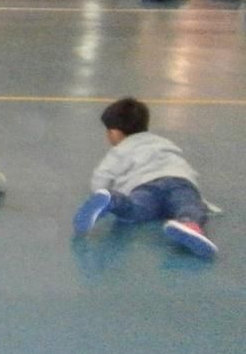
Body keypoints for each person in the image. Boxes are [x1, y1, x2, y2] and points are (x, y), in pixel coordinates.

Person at [73, 96, 217, 258]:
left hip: (146, 186)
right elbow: (184, 165)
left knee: (135, 209)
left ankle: (112, 200)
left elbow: (102, 175)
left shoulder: (120, 150)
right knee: (189, 205)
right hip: (180, 181)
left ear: (114, 132)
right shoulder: (163, 142)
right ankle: (189, 224)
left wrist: (99, 189)